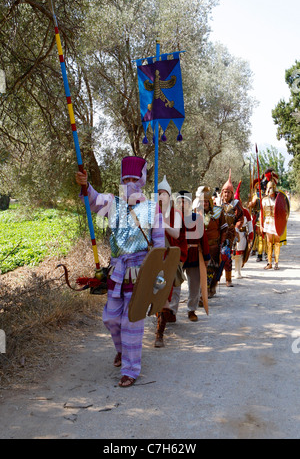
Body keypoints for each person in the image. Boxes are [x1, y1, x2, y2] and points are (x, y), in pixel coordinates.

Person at [75, 156, 165, 387]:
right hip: (118, 270)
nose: (130, 182)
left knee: (132, 323)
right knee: (110, 318)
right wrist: (85, 185)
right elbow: (94, 199)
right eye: (126, 178)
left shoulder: (153, 209)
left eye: (134, 178)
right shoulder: (113, 204)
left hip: (140, 272)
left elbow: (160, 246)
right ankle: (122, 350)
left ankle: (130, 370)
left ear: (142, 180)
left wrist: (157, 275)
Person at [154, 176, 188, 347]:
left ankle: (160, 333)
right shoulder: (152, 212)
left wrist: (162, 224)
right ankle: (161, 318)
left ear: (169, 196)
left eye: (163, 194)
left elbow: (175, 234)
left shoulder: (176, 214)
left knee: (166, 292)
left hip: (171, 258)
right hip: (155, 258)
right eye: (158, 194)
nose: (161, 197)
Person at [177, 190, 210, 321]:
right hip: (178, 256)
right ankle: (171, 311)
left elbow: (204, 239)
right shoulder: (174, 218)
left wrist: (206, 256)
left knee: (194, 285)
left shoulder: (197, 218)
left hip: (194, 255)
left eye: (184, 202)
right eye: (179, 202)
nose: (182, 204)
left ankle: (191, 310)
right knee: (175, 284)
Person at [193, 186, 227, 298]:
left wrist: (222, 243)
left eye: (206, 201)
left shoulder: (218, 212)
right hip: (199, 247)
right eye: (202, 201)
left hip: (214, 247)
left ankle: (210, 289)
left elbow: (224, 229)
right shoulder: (195, 212)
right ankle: (202, 292)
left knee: (212, 269)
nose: (205, 203)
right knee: (199, 271)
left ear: (210, 201)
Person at [220, 170, 244, 287]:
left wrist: (236, 228)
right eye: (224, 192)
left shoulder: (236, 204)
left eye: (228, 192)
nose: (226, 195)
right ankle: (215, 278)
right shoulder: (216, 203)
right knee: (215, 257)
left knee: (227, 256)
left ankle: (228, 279)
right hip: (217, 234)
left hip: (229, 234)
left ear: (232, 193)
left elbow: (240, 218)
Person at [233, 181, 254, 278]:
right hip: (232, 235)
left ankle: (238, 271)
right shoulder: (230, 210)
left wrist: (250, 236)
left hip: (242, 235)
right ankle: (231, 271)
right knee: (232, 254)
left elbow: (250, 225)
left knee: (240, 254)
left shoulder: (245, 212)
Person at [262, 180, 281, 270]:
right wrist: (261, 225)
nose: (271, 192)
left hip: (277, 222)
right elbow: (262, 215)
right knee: (269, 242)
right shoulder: (264, 200)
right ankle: (269, 262)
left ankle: (276, 262)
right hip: (268, 222)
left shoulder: (279, 199)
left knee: (277, 242)